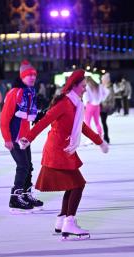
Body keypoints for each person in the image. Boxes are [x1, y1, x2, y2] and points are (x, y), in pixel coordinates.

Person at [19, 69, 109, 239]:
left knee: (73, 185)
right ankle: (69, 222)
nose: (84, 89)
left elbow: (81, 127)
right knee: (78, 185)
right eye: (82, 86)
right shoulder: (64, 104)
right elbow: (45, 120)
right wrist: (28, 138)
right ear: (74, 86)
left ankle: (62, 220)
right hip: (57, 151)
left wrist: (100, 142)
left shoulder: (75, 104)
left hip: (65, 150)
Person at [0, 60, 43, 212]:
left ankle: (26, 194)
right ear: (22, 76)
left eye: (34, 75)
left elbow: (28, 117)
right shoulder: (15, 93)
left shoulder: (30, 93)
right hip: (15, 137)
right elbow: (4, 118)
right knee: (23, 166)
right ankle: (15, 198)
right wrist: (7, 138)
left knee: (28, 167)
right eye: (28, 75)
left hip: (25, 138)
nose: (32, 77)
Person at [100, 73, 114, 143]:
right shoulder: (102, 87)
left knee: (103, 122)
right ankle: (104, 137)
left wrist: (103, 102)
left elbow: (110, 99)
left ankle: (106, 137)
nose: (102, 80)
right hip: (100, 107)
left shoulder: (109, 88)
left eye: (103, 79)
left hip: (104, 107)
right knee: (101, 122)